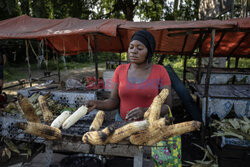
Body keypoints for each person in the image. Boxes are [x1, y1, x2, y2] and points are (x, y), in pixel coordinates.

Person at [87, 30, 181, 166]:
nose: (133, 51)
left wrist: (145, 111)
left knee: (148, 162)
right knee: (121, 161)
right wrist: (97, 104)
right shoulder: (120, 70)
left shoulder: (160, 72)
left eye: (139, 48)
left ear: (149, 51)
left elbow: (167, 106)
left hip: (150, 128)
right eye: (131, 47)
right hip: (122, 127)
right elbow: (113, 101)